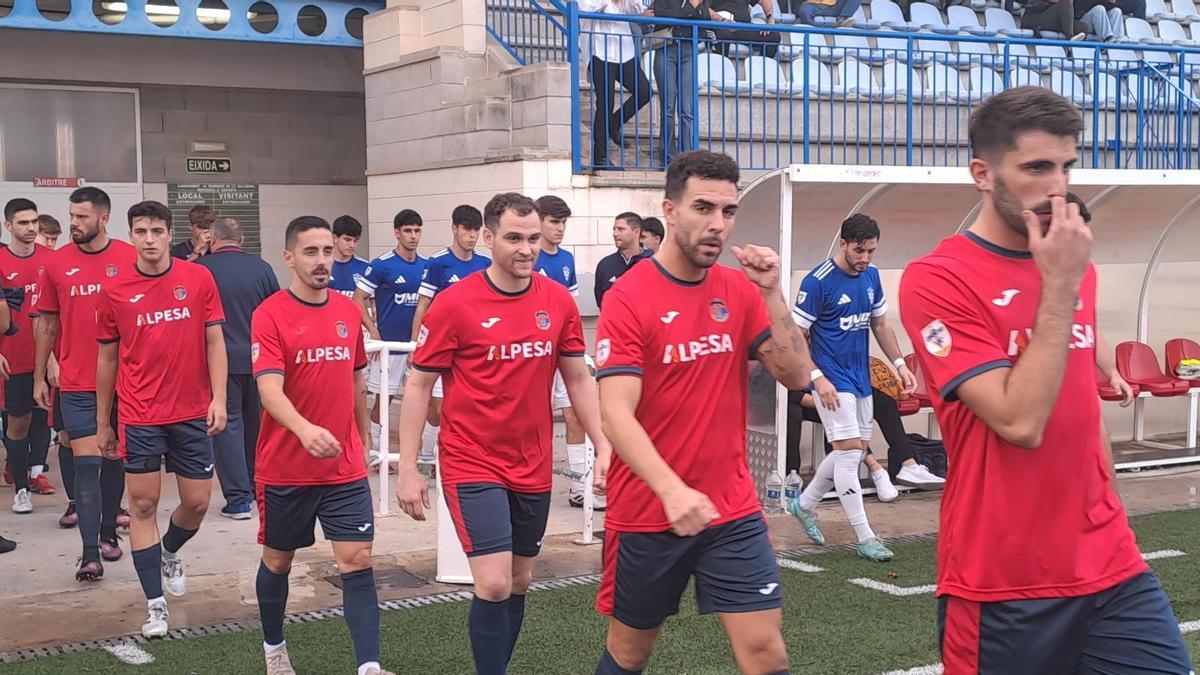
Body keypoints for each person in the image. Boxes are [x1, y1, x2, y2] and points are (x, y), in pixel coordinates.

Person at [899, 87, 1191, 673]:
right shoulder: (938, 279)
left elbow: (1079, 403)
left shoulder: (1073, 268)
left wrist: (1108, 506)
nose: (1057, 187)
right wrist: (1059, 284)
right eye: (1036, 168)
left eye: (1066, 167)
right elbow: (1020, 421)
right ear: (983, 174)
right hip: (1002, 579)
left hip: (1109, 563)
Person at [593, 150, 815, 675]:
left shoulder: (739, 290)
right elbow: (615, 414)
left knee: (765, 649)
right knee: (630, 652)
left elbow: (796, 374)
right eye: (703, 208)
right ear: (669, 211)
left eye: (728, 211)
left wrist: (772, 294)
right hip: (648, 511)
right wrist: (672, 491)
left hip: (730, 508)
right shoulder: (629, 297)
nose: (718, 224)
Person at [396, 192, 610, 675]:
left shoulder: (557, 301)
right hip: (471, 460)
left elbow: (578, 378)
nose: (526, 248)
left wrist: (603, 443)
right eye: (514, 238)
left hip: (532, 462)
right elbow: (418, 385)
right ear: (489, 238)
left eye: (533, 238)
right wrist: (408, 468)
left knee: (518, 580)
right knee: (492, 584)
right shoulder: (454, 303)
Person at [251, 216, 393, 675]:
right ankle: (275, 649)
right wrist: (303, 429)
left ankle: (369, 666)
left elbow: (355, 380)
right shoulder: (270, 314)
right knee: (278, 562)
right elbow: (268, 389)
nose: (322, 261)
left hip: (343, 467)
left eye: (328, 251)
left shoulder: (348, 312)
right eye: (311, 252)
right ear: (289, 257)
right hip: (285, 468)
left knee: (358, 559)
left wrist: (362, 439)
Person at [95, 200, 228, 639]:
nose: (149, 239)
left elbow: (215, 342)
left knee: (198, 503)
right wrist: (103, 421)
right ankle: (155, 605)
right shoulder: (114, 290)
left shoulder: (198, 278)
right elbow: (107, 358)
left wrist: (219, 398)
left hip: (191, 412)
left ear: (171, 234)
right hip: (140, 414)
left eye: (156, 231)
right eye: (141, 231)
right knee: (143, 506)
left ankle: (169, 550)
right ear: (130, 235)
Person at [786, 214, 917, 561]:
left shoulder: (871, 276)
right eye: (860, 250)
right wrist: (817, 378)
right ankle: (865, 537)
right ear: (843, 244)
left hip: (860, 378)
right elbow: (795, 336)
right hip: (831, 379)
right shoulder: (817, 282)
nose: (865, 258)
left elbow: (880, 323)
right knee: (848, 454)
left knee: (854, 451)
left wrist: (900, 364)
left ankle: (805, 504)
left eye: (871, 251)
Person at [33, 186, 136, 581]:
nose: (74, 223)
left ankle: (109, 532)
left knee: (113, 459)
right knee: (87, 463)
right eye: (71, 216)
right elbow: (47, 324)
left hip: (125, 382)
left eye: (82, 217)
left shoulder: (129, 258)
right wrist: (41, 375)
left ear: (103, 218)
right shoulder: (57, 263)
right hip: (77, 382)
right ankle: (90, 553)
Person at [197, 217, 280, 516]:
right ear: (241, 239)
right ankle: (259, 489)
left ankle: (238, 498)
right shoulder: (262, 268)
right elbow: (276, 312)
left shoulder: (200, 270)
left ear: (212, 239)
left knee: (227, 426)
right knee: (256, 426)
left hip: (218, 362)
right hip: (260, 360)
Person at [532, 195, 599, 508]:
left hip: (564, 353)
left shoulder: (566, 259)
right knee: (533, 419)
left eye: (563, 223)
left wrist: (578, 347)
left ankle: (578, 487)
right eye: (554, 222)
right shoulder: (529, 257)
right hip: (535, 354)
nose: (559, 228)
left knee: (575, 415)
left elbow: (570, 308)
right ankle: (529, 481)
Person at [410, 205, 491, 462]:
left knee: (469, 406)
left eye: (476, 230)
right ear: (454, 229)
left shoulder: (485, 264)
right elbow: (423, 305)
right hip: (441, 345)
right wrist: (415, 343)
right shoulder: (437, 263)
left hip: (474, 348)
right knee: (436, 407)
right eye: (467, 229)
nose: (472, 235)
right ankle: (427, 455)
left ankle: (459, 456)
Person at [354, 209, 426, 466]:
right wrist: (374, 332)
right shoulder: (381, 265)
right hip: (389, 348)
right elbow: (358, 298)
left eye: (417, 230)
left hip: (417, 347)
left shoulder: (427, 266)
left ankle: (425, 455)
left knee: (427, 401)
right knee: (384, 401)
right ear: (397, 233)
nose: (413, 236)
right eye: (407, 230)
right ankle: (378, 455)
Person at [2, 198, 56, 514]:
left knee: (46, 417)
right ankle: (21, 489)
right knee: (18, 423)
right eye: (23, 222)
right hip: (15, 357)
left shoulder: (52, 260)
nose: (31, 227)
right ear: (8, 226)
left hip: (51, 357)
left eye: (34, 221)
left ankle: (37, 474)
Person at [786, 386, 945, 489]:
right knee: (797, 410)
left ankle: (908, 464)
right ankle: (875, 469)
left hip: (838, 390)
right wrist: (831, 402)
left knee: (884, 402)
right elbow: (788, 390)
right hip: (806, 399)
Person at [582, 0, 652, 169]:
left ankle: (614, 122)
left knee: (644, 91)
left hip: (624, 51)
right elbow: (584, 8)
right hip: (599, 52)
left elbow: (636, 8)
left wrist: (641, 11)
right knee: (605, 103)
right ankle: (600, 158)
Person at [651, 0, 705, 167]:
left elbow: (705, 19)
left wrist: (691, 10)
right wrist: (691, 7)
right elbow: (666, 16)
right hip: (666, 48)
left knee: (687, 109)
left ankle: (687, 159)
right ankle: (668, 158)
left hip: (688, 48)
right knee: (668, 108)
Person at [594, 212, 650, 308]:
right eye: (614, 229)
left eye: (621, 229)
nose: (615, 234)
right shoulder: (605, 265)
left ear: (636, 232)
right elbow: (601, 302)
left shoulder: (652, 264)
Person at [331, 215, 369, 299]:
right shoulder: (322, 265)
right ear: (335, 238)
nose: (352, 245)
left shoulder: (365, 267)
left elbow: (372, 301)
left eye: (355, 241)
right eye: (347, 240)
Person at [1020, 0, 1087, 40]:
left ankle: (1072, 50)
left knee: (1083, 28)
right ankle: (1070, 39)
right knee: (1066, 2)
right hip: (1036, 17)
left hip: (1054, 18)